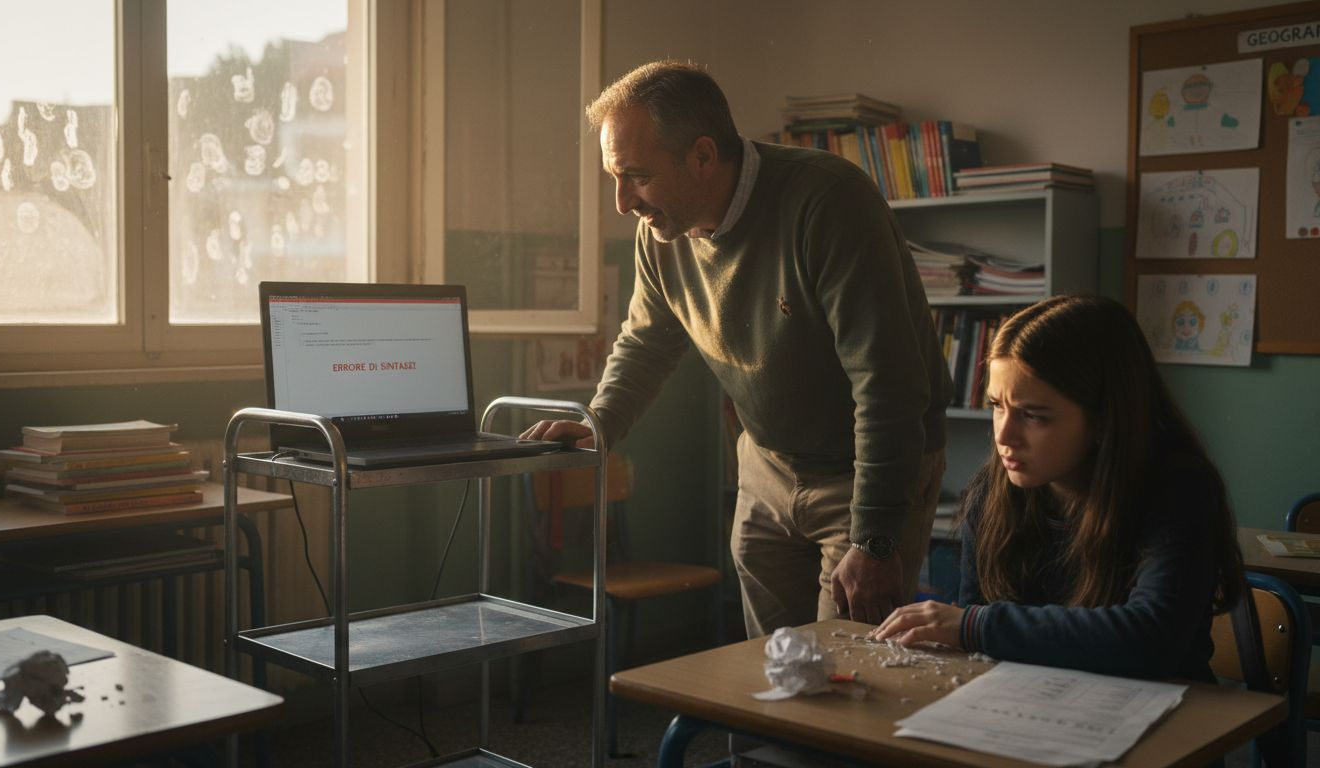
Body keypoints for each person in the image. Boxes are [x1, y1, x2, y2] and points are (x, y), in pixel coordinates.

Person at [520, 59, 951, 637]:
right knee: (770, 676)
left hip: (861, 475)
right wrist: (598, 421)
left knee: (845, 681)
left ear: (702, 156)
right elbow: (647, 340)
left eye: (637, 176)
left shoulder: (828, 201)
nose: (623, 202)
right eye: (614, 177)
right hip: (767, 466)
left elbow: (887, 381)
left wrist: (875, 538)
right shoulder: (661, 232)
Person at [874, 294, 1245, 683]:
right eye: (997, 405)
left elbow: (1152, 637)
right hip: (1031, 705)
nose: (1004, 436)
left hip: (1164, 714)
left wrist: (976, 626)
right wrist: (968, 628)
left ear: (1104, 419)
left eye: (1033, 416)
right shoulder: (992, 490)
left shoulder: (1178, 488)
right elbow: (976, 632)